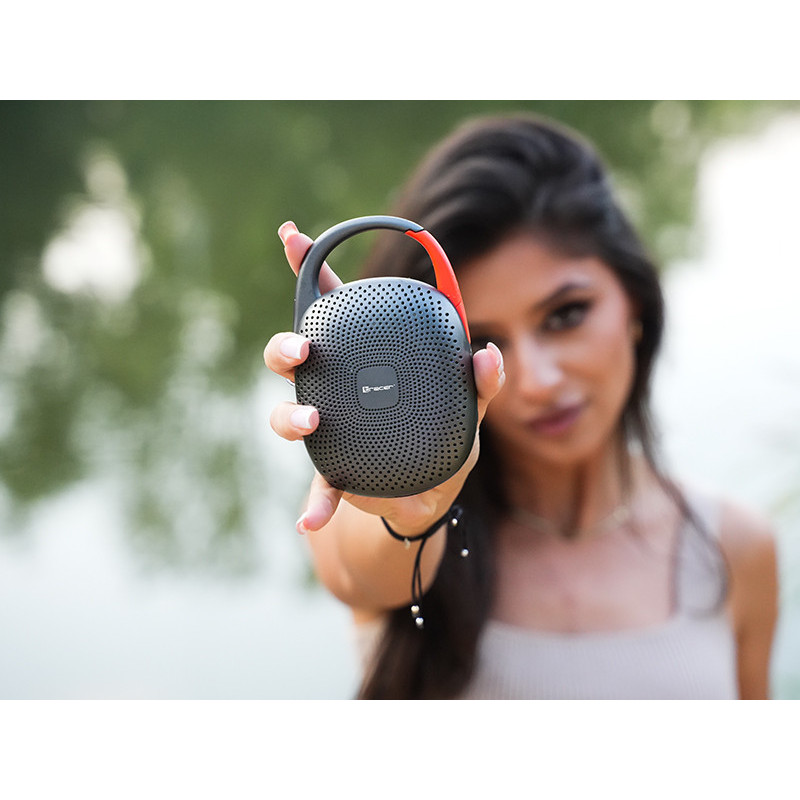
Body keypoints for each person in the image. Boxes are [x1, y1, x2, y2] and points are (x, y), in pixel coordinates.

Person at [264, 113, 778, 699]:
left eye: (566, 315)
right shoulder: (388, 514)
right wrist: (409, 510)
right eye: (482, 340)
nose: (535, 381)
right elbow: (363, 566)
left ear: (635, 303)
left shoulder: (733, 548)